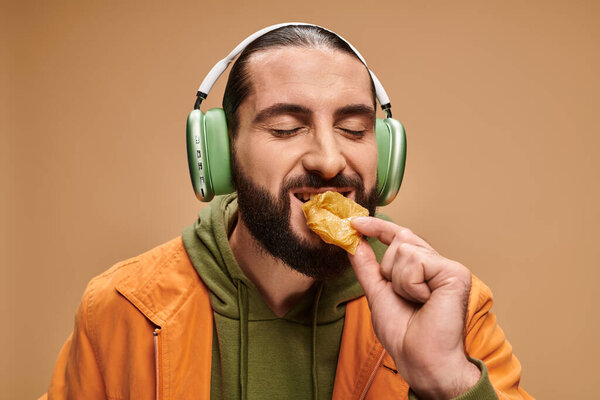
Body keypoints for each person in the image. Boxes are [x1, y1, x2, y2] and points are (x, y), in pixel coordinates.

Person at [42, 24, 532, 399]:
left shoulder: (453, 312)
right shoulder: (121, 309)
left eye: (355, 130)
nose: (329, 159)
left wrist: (449, 382)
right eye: (285, 128)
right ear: (221, 155)